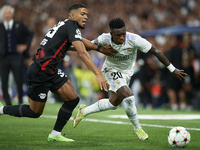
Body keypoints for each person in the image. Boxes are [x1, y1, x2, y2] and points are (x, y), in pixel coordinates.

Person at [0, 3, 117, 142]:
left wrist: (99, 49)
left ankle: (55, 134)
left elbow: (81, 42)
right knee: (34, 112)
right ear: (72, 15)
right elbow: (82, 52)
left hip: (51, 70)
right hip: (40, 71)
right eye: (82, 14)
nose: (86, 17)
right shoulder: (71, 26)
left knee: (73, 98)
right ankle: (2, 110)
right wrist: (98, 74)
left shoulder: (66, 26)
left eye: (86, 14)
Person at [73, 18, 187, 140]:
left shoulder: (134, 39)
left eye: (124, 33)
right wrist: (65, 49)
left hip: (126, 73)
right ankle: (138, 129)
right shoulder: (104, 39)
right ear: (111, 34)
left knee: (113, 104)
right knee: (129, 96)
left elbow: (156, 51)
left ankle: (84, 111)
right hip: (111, 70)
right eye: (118, 35)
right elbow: (86, 46)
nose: (122, 37)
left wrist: (172, 69)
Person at [0, 5, 33, 105]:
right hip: (3, 57)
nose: (7, 15)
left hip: (17, 56)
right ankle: (8, 103)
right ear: (2, 15)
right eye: (5, 13)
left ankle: (20, 101)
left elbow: (30, 34)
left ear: (12, 14)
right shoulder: (0, 26)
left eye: (9, 13)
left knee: (19, 79)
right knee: (4, 80)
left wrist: (25, 46)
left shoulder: (19, 24)